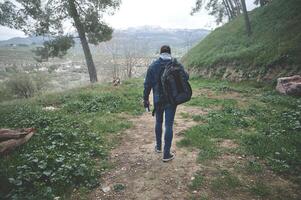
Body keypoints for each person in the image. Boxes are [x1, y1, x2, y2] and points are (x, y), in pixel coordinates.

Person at [143, 45, 189, 162]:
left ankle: (158, 147)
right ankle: (166, 154)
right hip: (172, 100)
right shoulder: (176, 65)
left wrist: (146, 99)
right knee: (169, 125)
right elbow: (186, 77)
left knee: (158, 121)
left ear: (160, 53)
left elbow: (147, 85)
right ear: (170, 53)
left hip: (158, 100)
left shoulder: (153, 66)